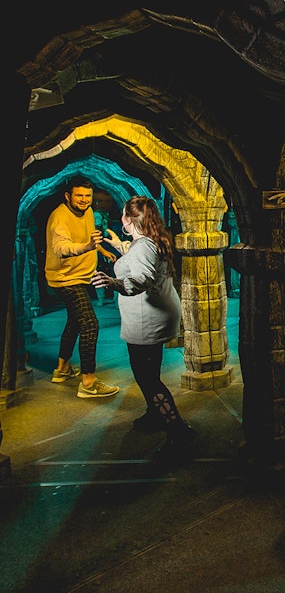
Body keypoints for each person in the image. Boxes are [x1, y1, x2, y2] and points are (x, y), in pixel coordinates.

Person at [92, 196, 196, 461]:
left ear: (128, 220)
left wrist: (112, 282)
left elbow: (141, 278)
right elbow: (139, 257)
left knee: (148, 379)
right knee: (151, 371)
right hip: (155, 315)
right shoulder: (150, 240)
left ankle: (177, 430)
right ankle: (155, 414)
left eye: (123, 214)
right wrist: (119, 245)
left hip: (147, 319)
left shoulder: (143, 247)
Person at [44, 176, 119, 398]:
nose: (84, 200)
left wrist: (101, 250)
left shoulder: (86, 211)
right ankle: (88, 383)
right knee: (90, 323)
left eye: (88, 196)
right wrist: (86, 247)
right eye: (79, 196)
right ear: (68, 196)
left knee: (75, 321)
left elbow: (89, 238)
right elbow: (61, 248)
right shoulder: (60, 217)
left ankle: (62, 369)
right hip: (66, 279)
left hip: (79, 277)